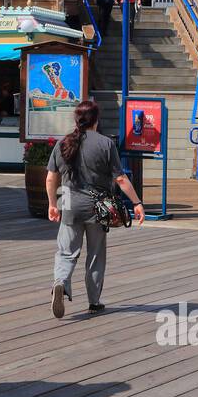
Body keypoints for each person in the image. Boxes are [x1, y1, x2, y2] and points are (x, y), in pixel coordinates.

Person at [45, 100, 145, 318]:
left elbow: (51, 177)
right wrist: (137, 203)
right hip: (97, 206)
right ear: (96, 120)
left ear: (76, 119)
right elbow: (120, 178)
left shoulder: (62, 144)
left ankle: (61, 282)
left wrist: (53, 204)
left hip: (69, 203)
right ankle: (94, 301)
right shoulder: (105, 144)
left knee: (66, 252)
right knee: (96, 254)